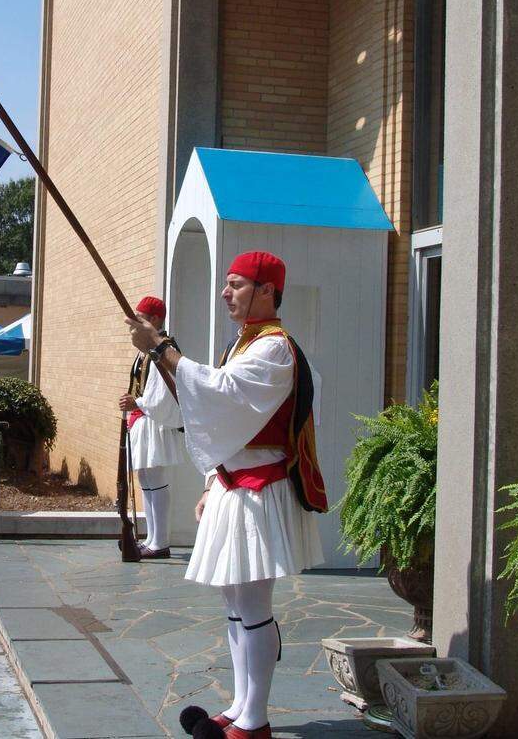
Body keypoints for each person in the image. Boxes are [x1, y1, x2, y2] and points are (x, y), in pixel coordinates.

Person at [126, 251, 326, 739]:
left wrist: (163, 348)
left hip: (261, 493)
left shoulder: (274, 348)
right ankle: (239, 706)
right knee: (236, 604)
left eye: (235, 284)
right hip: (236, 490)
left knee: (254, 605)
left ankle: (254, 721)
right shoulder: (244, 345)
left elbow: (222, 392)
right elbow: (224, 420)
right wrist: (215, 482)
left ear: (266, 289)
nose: (225, 292)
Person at [116, 296, 186, 559]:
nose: (136, 324)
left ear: (155, 319)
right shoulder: (144, 350)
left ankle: (161, 542)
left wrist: (138, 401)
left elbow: (163, 394)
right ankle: (152, 538)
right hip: (142, 419)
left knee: (155, 479)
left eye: (141, 318)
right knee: (146, 479)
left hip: (154, 420)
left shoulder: (163, 348)